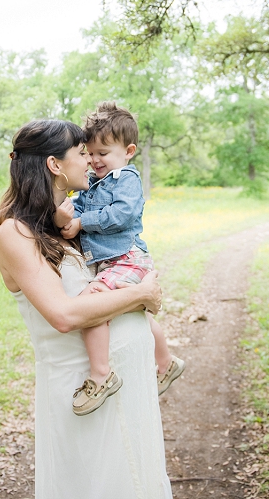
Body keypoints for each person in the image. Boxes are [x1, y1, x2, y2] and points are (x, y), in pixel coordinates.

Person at [0, 118, 172, 498]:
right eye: (81, 153)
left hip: (126, 386)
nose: (89, 160)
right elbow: (64, 315)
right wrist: (142, 295)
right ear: (55, 164)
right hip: (81, 390)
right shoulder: (15, 232)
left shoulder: (65, 224)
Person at [55, 102, 185, 414]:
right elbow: (78, 211)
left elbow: (123, 214)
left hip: (126, 258)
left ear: (128, 151)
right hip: (113, 260)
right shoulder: (92, 184)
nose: (95, 160)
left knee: (93, 304)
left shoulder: (125, 178)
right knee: (136, 315)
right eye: (90, 152)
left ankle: (101, 376)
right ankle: (166, 362)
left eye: (103, 152)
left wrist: (82, 223)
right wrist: (66, 219)